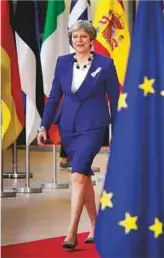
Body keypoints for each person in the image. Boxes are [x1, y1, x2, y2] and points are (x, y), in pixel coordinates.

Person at [37, 20, 119, 250]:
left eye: (83, 36)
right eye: (75, 37)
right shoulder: (63, 63)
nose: (79, 40)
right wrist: (43, 126)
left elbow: (114, 99)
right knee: (82, 176)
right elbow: (54, 97)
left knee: (77, 175)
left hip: (93, 127)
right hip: (68, 127)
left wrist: (118, 131)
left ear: (91, 39)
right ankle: (96, 225)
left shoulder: (105, 64)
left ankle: (71, 232)